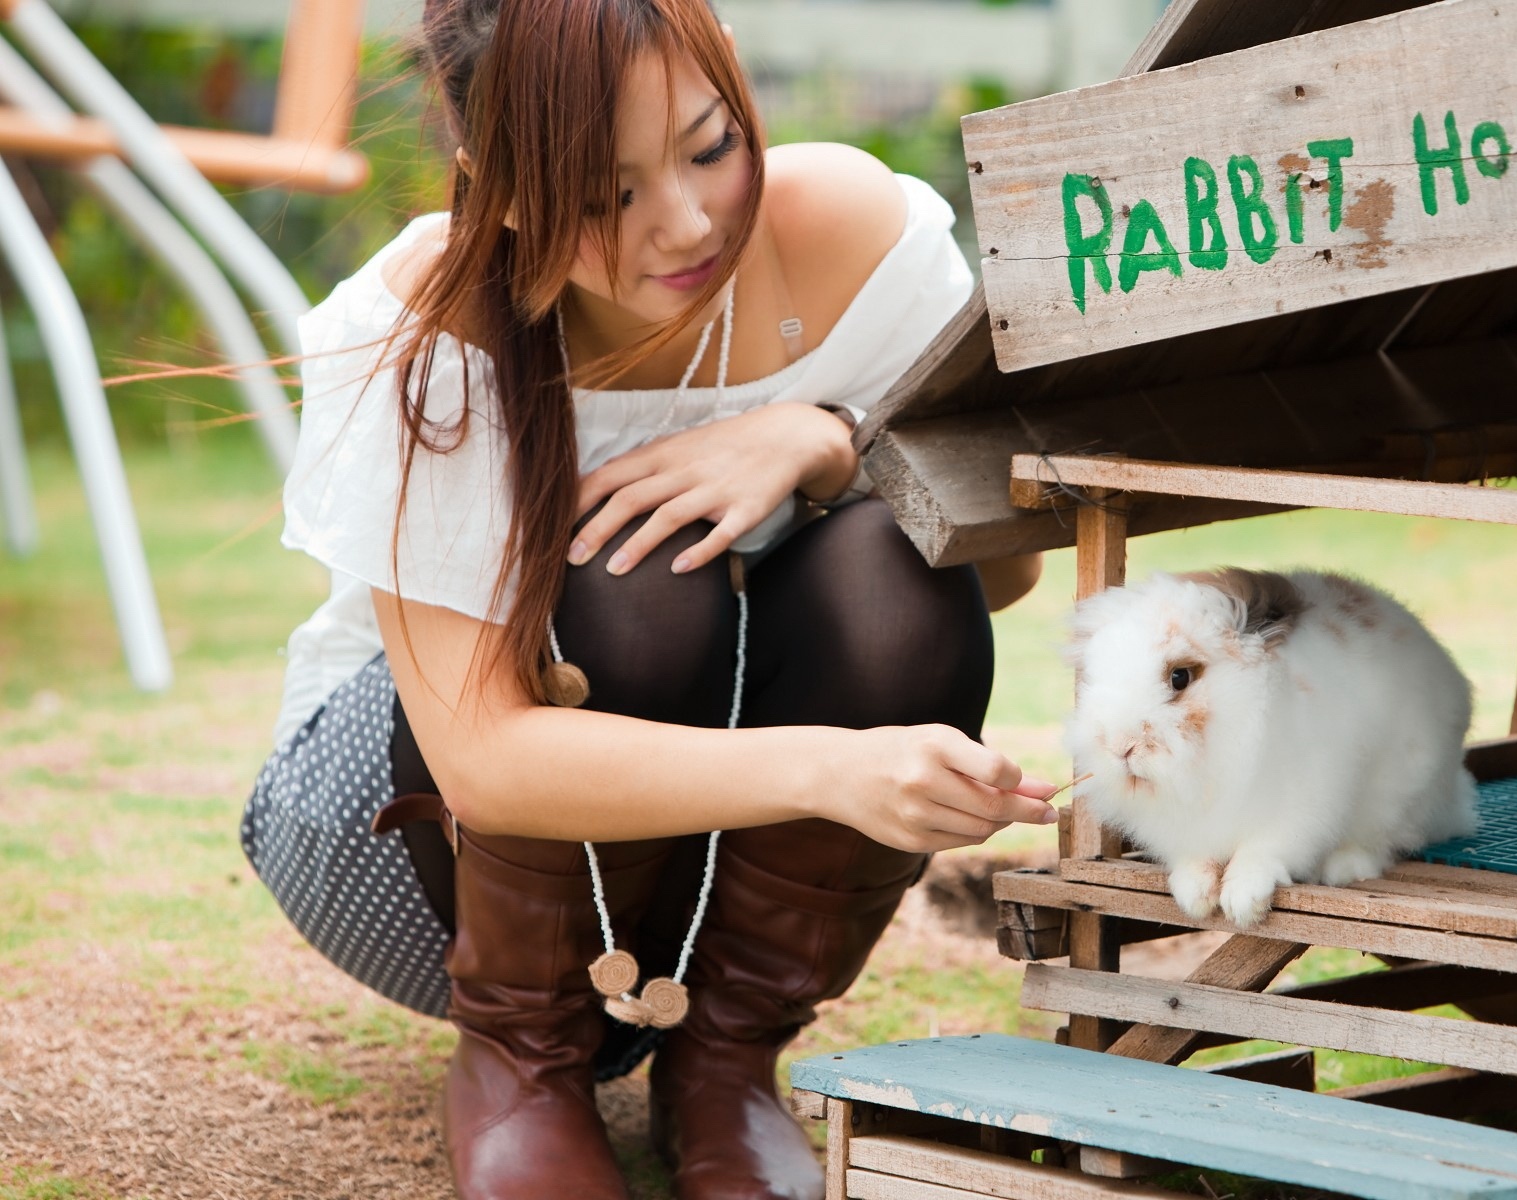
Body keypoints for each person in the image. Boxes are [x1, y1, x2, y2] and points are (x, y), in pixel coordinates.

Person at [239, 1, 1057, 1197]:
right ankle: (523, 1063)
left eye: (710, 146)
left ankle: (725, 1064)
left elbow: (1005, 570)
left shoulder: (860, 240)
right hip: (410, 833)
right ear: (496, 184)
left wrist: (826, 436)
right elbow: (484, 761)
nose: (683, 222)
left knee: (898, 569)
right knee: (636, 568)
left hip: (699, 853)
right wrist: (831, 769)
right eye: (601, 191)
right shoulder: (429, 323)